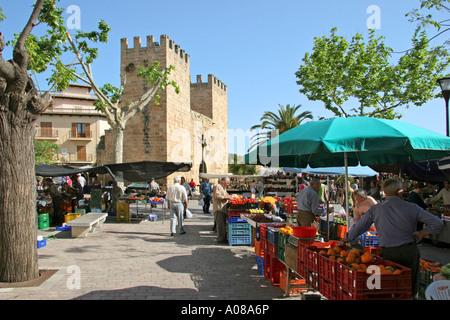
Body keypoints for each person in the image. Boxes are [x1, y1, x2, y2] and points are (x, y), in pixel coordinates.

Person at [343, 178, 444, 299]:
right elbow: (438, 223)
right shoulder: (413, 207)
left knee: (390, 288)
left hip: (389, 253)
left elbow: (359, 227)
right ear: (400, 192)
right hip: (409, 252)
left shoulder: (376, 209)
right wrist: (422, 233)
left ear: (384, 192)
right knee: (410, 288)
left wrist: (346, 238)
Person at [213, 177, 233, 243]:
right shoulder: (217, 186)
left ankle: (223, 238)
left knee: (223, 224)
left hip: (223, 208)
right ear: (223, 181)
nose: (228, 184)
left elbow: (226, 195)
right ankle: (220, 239)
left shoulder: (223, 188)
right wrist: (226, 198)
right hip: (219, 208)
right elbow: (217, 196)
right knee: (220, 224)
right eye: (227, 183)